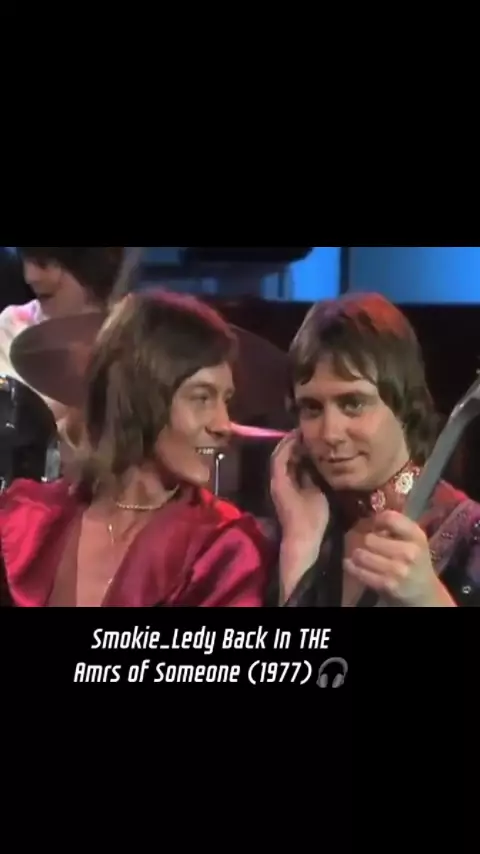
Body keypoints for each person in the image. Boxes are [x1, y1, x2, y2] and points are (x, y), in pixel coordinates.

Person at [0, 290, 272, 607]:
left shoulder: (223, 548)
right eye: (202, 398)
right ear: (140, 398)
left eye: (226, 401)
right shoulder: (26, 519)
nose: (224, 425)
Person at [270, 292, 480, 607]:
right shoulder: (291, 528)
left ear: (405, 405)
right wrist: (299, 547)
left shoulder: (469, 536)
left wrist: (430, 598)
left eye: (353, 403)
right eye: (312, 408)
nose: (330, 433)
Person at [0, 247, 125, 419]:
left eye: (45, 262)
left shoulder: (137, 335)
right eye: (27, 259)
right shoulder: (11, 326)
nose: (30, 276)